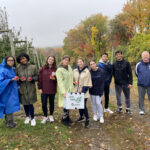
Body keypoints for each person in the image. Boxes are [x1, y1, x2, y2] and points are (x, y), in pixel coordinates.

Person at [16, 53, 38, 126]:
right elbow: (16, 78)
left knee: (30, 103)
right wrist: (19, 80)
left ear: (27, 58)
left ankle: (32, 118)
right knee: (25, 103)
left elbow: (37, 77)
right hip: (22, 88)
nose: (23, 60)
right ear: (19, 60)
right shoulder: (17, 68)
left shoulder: (33, 67)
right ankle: (27, 117)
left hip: (30, 88)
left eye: (24, 58)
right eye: (21, 59)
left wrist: (32, 79)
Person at [0, 56, 20, 128]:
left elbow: (13, 78)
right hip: (6, 92)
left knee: (9, 107)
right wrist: (10, 80)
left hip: (11, 91)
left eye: (12, 60)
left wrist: (15, 79)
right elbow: (0, 82)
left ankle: (9, 122)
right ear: (5, 61)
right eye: (9, 60)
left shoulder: (10, 69)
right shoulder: (2, 70)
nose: (11, 62)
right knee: (9, 107)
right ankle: (10, 124)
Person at [73, 58, 92, 128]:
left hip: (84, 92)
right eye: (78, 62)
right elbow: (73, 80)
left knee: (83, 105)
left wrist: (82, 93)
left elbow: (87, 83)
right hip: (76, 91)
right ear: (77, 63)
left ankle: (87, 119)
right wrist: (74, 82)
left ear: (83, 62)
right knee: (79, 105)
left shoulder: (87, 72)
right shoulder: (74, 71)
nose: (79, 63)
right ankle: (81, 117)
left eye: (81, 61)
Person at [38, 56, 57, 123]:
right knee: (44, 104)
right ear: (47, 60)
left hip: (52, 89)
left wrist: (55, 79)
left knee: (51, 103)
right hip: (44, 89)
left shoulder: (55, 69)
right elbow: (39, 79)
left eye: (52, 59)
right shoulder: (42, 69)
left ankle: (51, 115)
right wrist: (39, 88)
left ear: (54, 61)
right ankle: (45, 116)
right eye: (49, 59)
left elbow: (58, 79)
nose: (51, 60)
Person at [56, 55, 74, 126]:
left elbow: (71, 76)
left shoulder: (69, 67)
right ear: (62, 60)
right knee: (65, 105)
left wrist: (74, 82)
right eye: (65, 60)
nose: (66, 61)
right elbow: (60, 82)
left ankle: (67, 117)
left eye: (68, 60)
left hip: (70, 89)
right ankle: (64, 119)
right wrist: (63, 92)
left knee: (68, 104)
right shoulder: (59, 70)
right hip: (64, 89)